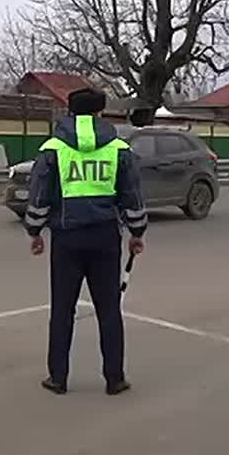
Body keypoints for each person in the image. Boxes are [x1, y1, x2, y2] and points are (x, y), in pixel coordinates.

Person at [23, 87, 147, 395]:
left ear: (70, 113)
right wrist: (137, 233)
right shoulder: (119, 148)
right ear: (100, 114)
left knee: (62, 310)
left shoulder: (52, 147)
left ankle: (58, 378)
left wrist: (35, 231)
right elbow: (132, 195)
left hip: (66, 238)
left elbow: (39, 194)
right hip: (105, 238)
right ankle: (115, 379)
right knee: (109, 310)